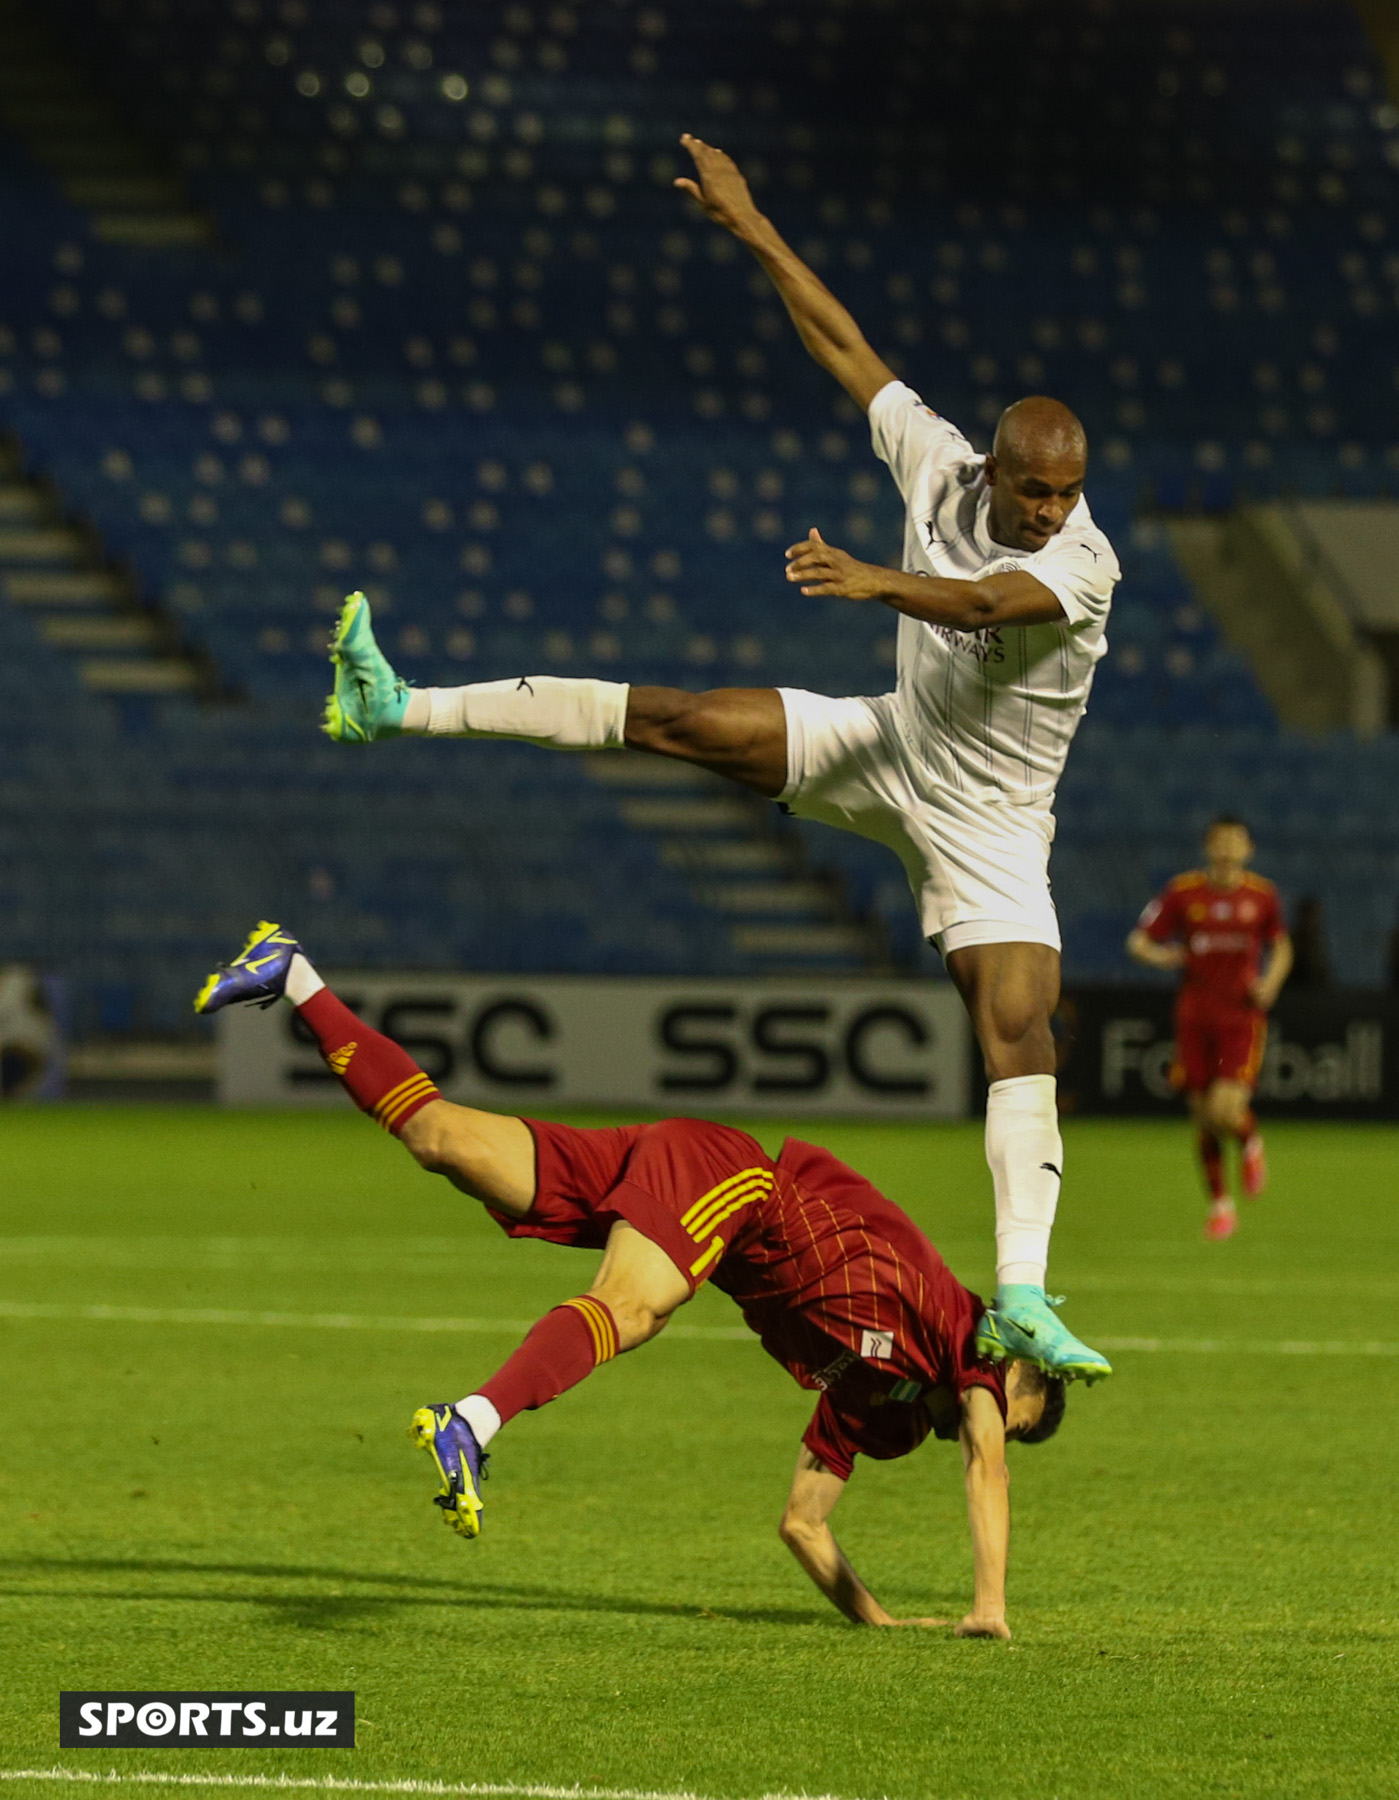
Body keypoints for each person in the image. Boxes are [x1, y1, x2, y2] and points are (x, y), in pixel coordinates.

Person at [317, 134, 1121, 1384]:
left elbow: (984, 609)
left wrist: (873, 584)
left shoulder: (1082, 563)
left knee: (1017, 1027)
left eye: (1063, 495)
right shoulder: (943, 463)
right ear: (1002, 466)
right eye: (1033, 490)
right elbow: (845, 345)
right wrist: (750, 226)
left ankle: (1019, 1291)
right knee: (676, 718)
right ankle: (393, 703)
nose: (1048, 511)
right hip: (893, 743)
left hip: (996, 820)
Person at [197, 921, 1069, 1639]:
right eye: (1008, 1400)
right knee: (634, 1310)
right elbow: (987, 1466)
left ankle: (293, 974)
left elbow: (802, 1523)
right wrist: (988, 1608)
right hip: (737, 1191)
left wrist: (877, 1621)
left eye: (999, 1412)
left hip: (689, 1189)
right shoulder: (965, 1335)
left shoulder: (873, 1398)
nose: (982, 1416)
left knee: (440, 1139)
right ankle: (472, 1421)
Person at [1127, 816, 1292, 1240]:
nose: (1227, 849)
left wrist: (1270, 983)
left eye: (1235, 842)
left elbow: (1282, 946)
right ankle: (1221, 1205)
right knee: (1202, 1119)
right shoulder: (1183, 893)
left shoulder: (1262, 896)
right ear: (1207, 847)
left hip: (1240, 1018)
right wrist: (1164, 957)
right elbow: (1139, 941)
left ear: (1248, 849)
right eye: (1220, 842)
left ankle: (1250, 1141)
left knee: (1224, 1110)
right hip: (1195, 1017)